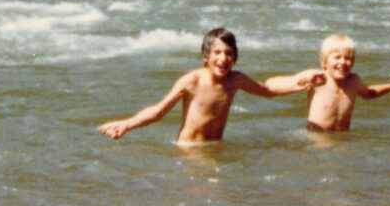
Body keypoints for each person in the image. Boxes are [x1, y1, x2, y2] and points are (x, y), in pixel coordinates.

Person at [99, 28, 324, 143]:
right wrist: (127, 124)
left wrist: (300, 82)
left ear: (235, 57)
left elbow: (267, 90)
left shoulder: (235, 80)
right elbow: (159, 111)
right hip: (190, 149)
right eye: (217, 52)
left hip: (215, 147)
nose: (223, 58)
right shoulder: (192, 81)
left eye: (229, 53)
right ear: (206, 56)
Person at [305, 34, 390, 132]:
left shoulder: (353, 81)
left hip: (341, 138)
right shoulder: (317, 80)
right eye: (337, 57)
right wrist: (302, 83)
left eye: (348, 58)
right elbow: (296, 83)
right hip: (317, 136)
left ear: (353, 62)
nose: (342, 62)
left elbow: (369, 93)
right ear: (324, 62)